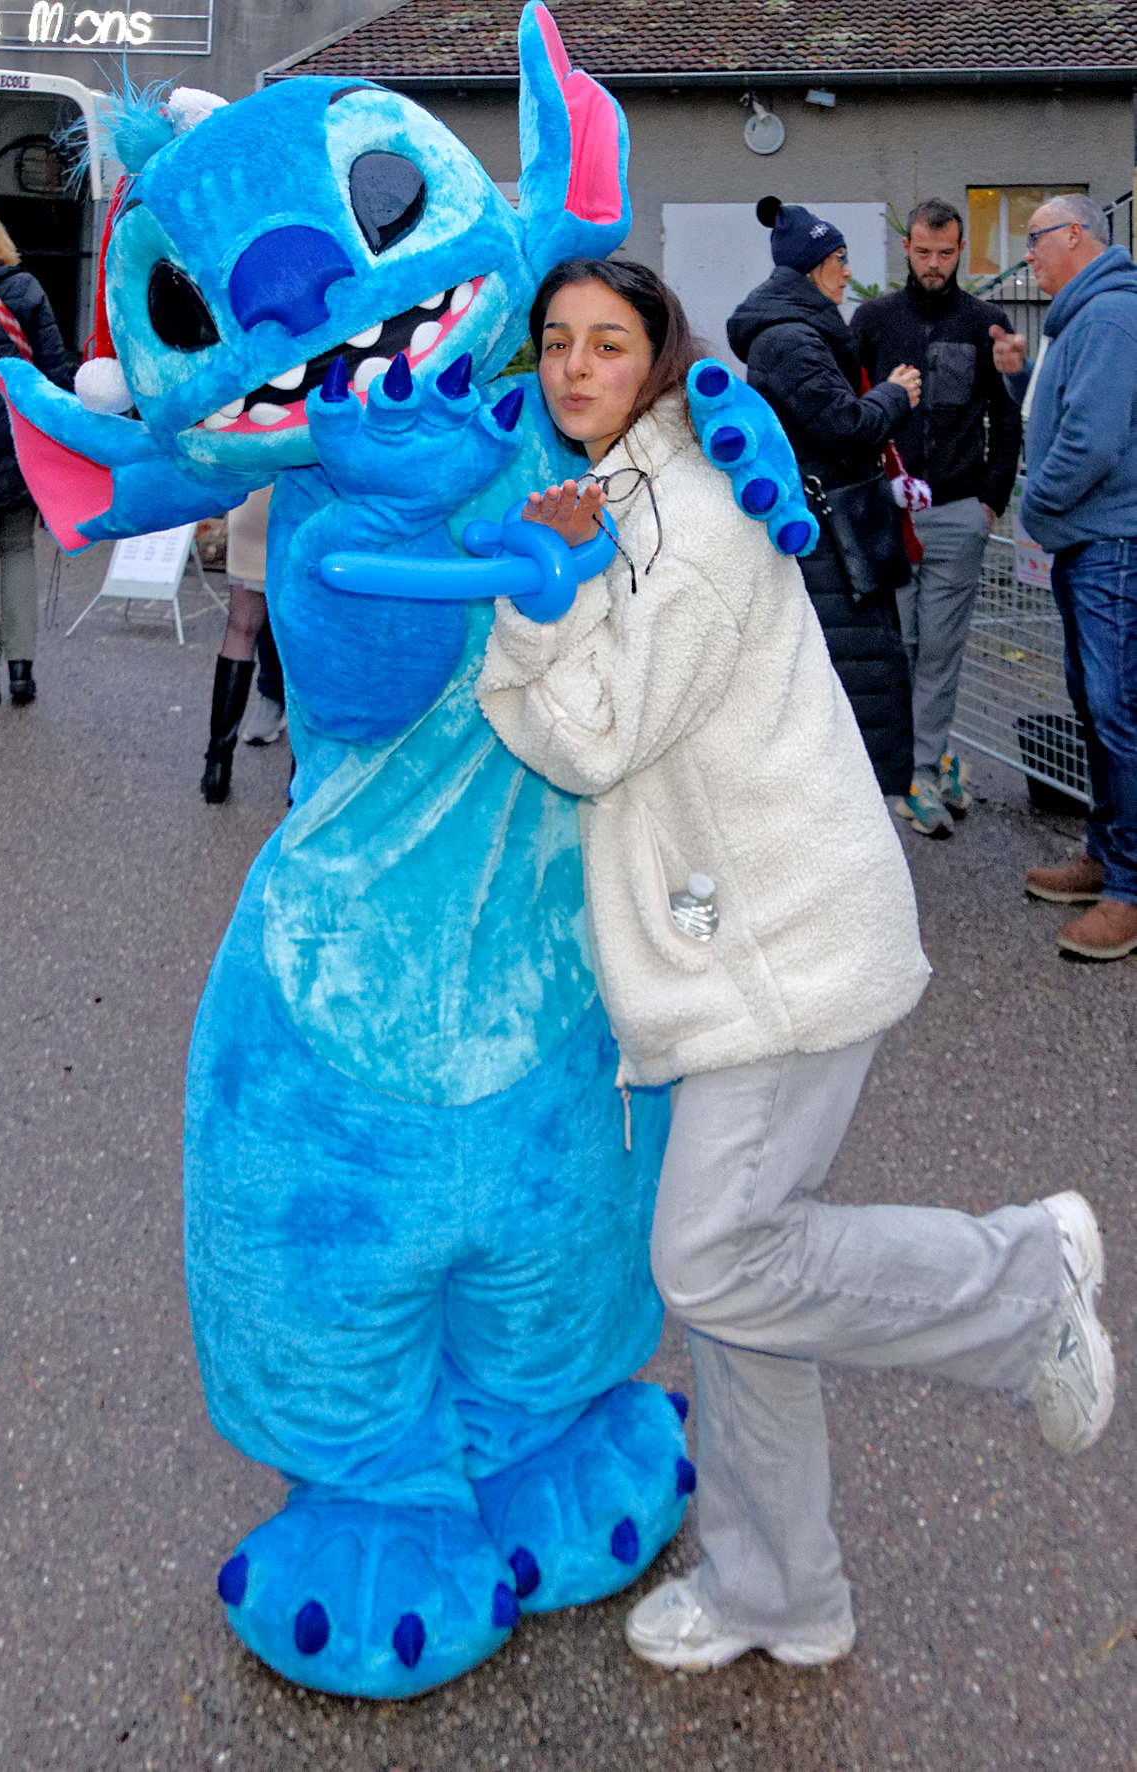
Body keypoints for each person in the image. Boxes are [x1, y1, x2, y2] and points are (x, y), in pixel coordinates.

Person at [477, 255, 1115, 1673]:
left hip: (778, 947)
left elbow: (592, 737)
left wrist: (532, 608)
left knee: (710, 1255)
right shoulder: (626, 496)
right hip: (736, 941)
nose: (574, 367)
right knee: (744, 1285)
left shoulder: (686, 517)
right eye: (556, 342)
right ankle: (780, 1591)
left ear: (658, 355)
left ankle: (1024, 1285)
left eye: (607, 343)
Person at [726, 199, 918, 795]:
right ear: (812, 267)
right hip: (830, 544)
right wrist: (894, 395)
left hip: (832, 536)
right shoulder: (790, 340)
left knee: (860, 681)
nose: (847, 272)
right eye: (839, 259)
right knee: (859, 685)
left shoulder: (796, 334)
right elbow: (845, 428)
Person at [992, 195, 1137, 961]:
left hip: (1110, 544)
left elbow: (1091, 441)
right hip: (1091, 543)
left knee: (1117, 713)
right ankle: (1104, 858)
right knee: (1095, 707)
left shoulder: (1108, 316)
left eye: (1034, 238)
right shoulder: (1083, 318)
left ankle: (1129, 891)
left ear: (1075, 235)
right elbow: (1062, 419)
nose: (1027, 255)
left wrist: (1035, 506)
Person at [851, 198, 1023, 837]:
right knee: (899, 648)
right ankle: (910, 769)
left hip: (957, 515)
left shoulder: (986, 323)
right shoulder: (872, 321)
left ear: (960, 250)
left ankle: (922, 774)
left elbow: (1006, 418)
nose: (933, 264)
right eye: (923, 251)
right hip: (890, 516)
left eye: (945, 253)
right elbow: (852, 410)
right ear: (907, 247)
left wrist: (990, 502)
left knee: (941, 652)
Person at [0, 200, 73, 707]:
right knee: (19, 549)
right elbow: (55, 373)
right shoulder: (25, 289)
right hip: (19, 438)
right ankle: (22, 670)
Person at [201, 484, 286, 802]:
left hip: (253, 500)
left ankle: (217, 767)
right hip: (304, 504)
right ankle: (301, 779)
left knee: (240, 629)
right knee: (302, 638)